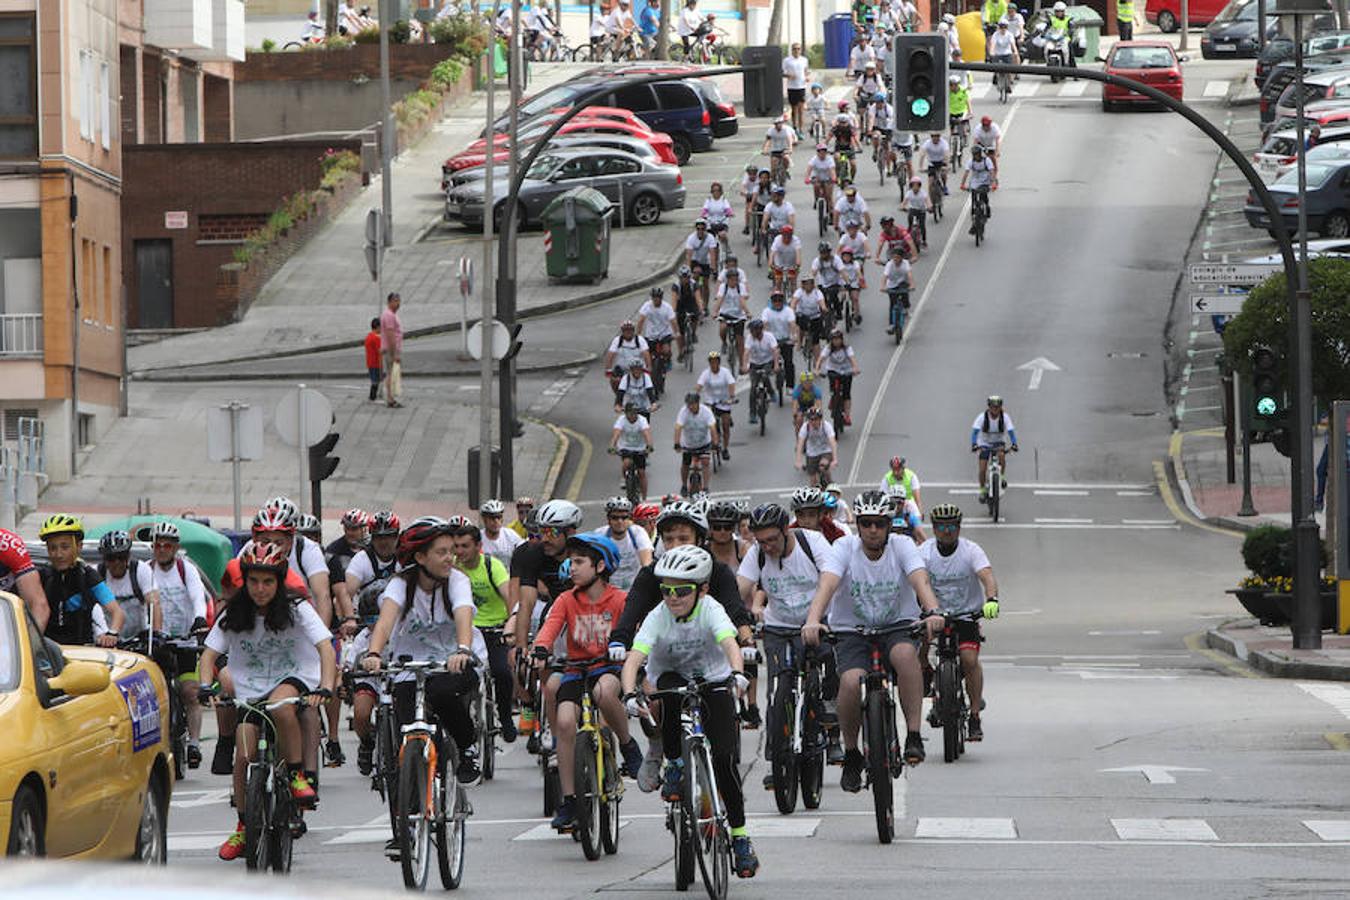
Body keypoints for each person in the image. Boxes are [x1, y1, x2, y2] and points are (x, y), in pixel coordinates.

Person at [620, 545, 757, 876]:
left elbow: (729, 644)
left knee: (724, 761)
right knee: (666, 692)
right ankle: (676, 764)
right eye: (666, 590)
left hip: (713, 677)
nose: (672, 597)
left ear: (702, 589)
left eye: (682, 590)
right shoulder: (658, 615)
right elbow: (635, 659)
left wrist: (738, 674)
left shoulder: (711, 609)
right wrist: (627, 693)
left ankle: (740, 838)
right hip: (670, 676)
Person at [201, 542, 337, 860]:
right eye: (253, 581)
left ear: (279, 582)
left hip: (295, 675)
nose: (260, 589)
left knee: (282, 705)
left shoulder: (297, 608)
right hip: (250, 688)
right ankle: (244, 826)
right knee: (242, 754)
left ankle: (295, 774)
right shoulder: (233, 613)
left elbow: (326, 648)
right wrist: (206, 686)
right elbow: (209, 655)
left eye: (268, 582)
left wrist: (326, 686)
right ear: (244, 581)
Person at [801, 490, 944, 788]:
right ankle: (852, 753)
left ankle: (914, 736)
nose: (872, 530)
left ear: (889, 525)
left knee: (906, 656)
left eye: (879, 523)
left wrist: (932, 611)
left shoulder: (903, 546)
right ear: (859, 525)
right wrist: (813, 620)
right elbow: (826, 586)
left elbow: (921, 581)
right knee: (851, 682)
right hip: (852, 631)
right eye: (866, 523)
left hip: (896, 625)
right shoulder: (843, 547)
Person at [362, 517, 483, 788]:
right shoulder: (401, 583)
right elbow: (385, 622)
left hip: (450, 661)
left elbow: (464, 614)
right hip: (409, 667)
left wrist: (462, 649)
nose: (450, 558)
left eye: (451, 551)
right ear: (420, 557)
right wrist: (374, 653)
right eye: (442, 552)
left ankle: (467, 749)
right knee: (404, 723)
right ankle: (409, 798)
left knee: (442, 693)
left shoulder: (457, 581)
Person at [534, 534, 645, 831]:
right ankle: (569, 799)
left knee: (604, 692)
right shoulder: (566, 599)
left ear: (600, 566)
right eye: (571, 561)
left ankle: (627, 745)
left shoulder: (620, 599)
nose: (572, 567)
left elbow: (640, 629)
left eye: (579, 562)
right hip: (576, 669)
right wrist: (541, 649)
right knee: (567, 722)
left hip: (608, 667)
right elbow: (550, 627)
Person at [737, 502, 834, 786]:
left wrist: (815, 619)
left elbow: (830, 580)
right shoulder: (757, 554)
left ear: (785, 530)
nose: (767, 547)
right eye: (761, 541)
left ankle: (827, 726)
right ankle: (776, 757)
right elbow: (740, 588)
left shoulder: (811, 541)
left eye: (773, 540)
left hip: (818, 622)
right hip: (779, 627)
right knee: (778, 690)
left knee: (826, 671)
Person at [918, 504, 1000, 741]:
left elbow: (987, 576)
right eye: (942, 526)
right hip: (935, 615)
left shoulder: (971, 550)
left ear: (959, 527)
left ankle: (974, 716)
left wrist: (992, 599)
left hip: (966, 616)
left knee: (969, 660)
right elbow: (916, 578)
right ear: (933, 528)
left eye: (952, 526)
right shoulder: (924, 551)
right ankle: (925, 670)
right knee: (917, 642)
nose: (947, 531)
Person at [147, 521, 210, 766]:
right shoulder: (145, 570)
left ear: (176, 548)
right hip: (157, 641)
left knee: (190, 692)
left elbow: (197, 597)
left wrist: (199, 618)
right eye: (158, 545)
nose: (162, 549)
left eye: (167, 545)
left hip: (185, 639)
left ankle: (193, 743)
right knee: (154, 693)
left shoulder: (186, 569)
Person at [449, 517, 517, 743]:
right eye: (456, 547)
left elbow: (509, 597)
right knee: (459, 677)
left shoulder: (492, 565)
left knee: (502, 673)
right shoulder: (452, 569)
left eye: (465, 546)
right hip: (467, 631)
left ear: (478, 547)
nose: (459, 551)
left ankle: (505, 716)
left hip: (495, 630)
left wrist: (510, 624)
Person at [37, 514, 124, 648]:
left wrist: (111, 635)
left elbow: (117, 612)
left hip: (80, 651)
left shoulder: (88, 576)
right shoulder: (42, 576)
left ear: (79, 546)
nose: (58, 554)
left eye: (65, 547)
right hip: (48, 651)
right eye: (52, 548)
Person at [97, 530, 160, 639]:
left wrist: (156, 635)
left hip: (137, 638)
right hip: (106, 638)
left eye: (121, 557)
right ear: (104, 559)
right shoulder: (97, 574)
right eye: (111, 558)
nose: (117, 563)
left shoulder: (141, 570)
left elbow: (154, 603)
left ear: (129, 556)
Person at [594, 496, 654, 591]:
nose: (620, 521)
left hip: (634, 589)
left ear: (629, 519)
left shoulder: (638, 532)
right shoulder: (600, 535)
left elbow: (646, 563)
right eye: (615, 518)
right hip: (608, 590)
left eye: (624, 517)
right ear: (608, 519)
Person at [972, 395, 1018, 501]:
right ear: (989, 407)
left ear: (1001, 407)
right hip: (984, 443)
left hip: (998, 442)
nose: (995, 409)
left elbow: (1011, 432)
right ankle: (983, 490)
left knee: (1001, 455)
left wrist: (1014, 444)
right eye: (993, 407)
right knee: (982, 469)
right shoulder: (982, 417)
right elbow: (975, 432)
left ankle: (1001, 478)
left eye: (997, 407)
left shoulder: (1005, 417)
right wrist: (974, 444)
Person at [675, 391, 719, 493]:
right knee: (685, 464)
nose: (690, 407)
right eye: (688, 404)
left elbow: (712, 428)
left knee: (705, 462)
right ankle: (684, 486)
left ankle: (706, 487)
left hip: (704, 443)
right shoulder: (683, 412)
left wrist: (715, 443)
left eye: (692, 404)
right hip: (688, 444)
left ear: (698, 403)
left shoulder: (706, 412)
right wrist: (677, 443)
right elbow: (678, 427)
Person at [610, 403, 654, 502]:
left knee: (642, 473)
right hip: (625, 447)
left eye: (634, 413)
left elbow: (646, 433)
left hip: (640, 448)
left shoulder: (642, 420)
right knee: (627, 462)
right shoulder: (621, 420)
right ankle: (623, 477)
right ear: (626, 413)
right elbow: (616, 433)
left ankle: (644, 498)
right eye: (630, 413)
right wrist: (612, 446)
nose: (632, 415)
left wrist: (649, 445)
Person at [697, 350, 737, 457]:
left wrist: (732, 396)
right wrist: (695, 395)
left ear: (719, 362)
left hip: (724, 402)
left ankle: (725, 448)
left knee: (725, 425)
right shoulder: (706, 373)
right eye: (711, 362)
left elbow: (731, 384)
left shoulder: (725, 372)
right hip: (710, 403)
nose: (713, 364)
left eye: (715, 362)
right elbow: (699, 385)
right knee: (710, 424)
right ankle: (712, 441)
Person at [742, 318, 782, 426]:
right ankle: (753, 414)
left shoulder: (769, 337)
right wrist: (745, 366)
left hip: (767, 362)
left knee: (765, 376)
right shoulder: (750, 338)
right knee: (753, 387)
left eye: (752, 330)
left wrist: (776, 364)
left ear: (759, 330)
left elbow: (775, 350)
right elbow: (746, 352)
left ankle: (771, 392)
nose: (751, 332)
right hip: (754, 364)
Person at [638, 285, 678, 386]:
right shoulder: (647, 306)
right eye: (654, 297)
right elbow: (641, 320)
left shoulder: (667, 307)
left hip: (664, 334)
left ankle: (668, 361)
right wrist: (638, 335)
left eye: (658, 297)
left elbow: (673, 321)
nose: (656, 300)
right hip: (651, 335)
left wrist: (676, 332)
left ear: (661, 298)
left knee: (666, 350)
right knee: (647, 356)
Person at [760, 290, 799, 387]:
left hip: (786, 340)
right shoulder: (767, 311)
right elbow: (764, 324)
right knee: (766, 364)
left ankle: (790, 386)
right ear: (772, 302)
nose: (777, 303)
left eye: (779, 300)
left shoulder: (788, 311)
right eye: (775, 301)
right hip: (772, 342)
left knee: (789, 363)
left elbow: (792, 324)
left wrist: (794, 336)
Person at [712, 272, 750, 369]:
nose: (734, 282)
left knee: (740, 340)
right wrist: (715, 311)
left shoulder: (740, 287)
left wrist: (747, 312)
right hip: (725, 314)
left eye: (736, 279)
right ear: (727, 280)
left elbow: (742, 300)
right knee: (723, 328)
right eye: (732, 280)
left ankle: (742, 364)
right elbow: (720, 299)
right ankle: (724, 342)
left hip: (738, 315)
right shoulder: (723, 287)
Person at [603, 320, 652, 391]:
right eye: (625, 330)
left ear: (633, 330)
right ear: (622, 331)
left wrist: (649, 368)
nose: (628, 332)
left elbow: (646, 354)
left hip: (637, 368)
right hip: (622, 369)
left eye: (630, 330)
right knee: (614, 381)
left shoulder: (640, 340)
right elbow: (610, 355)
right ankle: (619, 398)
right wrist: (608, 370)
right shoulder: (617, 340)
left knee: (645, 385)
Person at [796, 407, 838, 486]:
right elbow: (800, 444)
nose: (813, 422)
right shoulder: (805, 427)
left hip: (825, 450)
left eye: (816, 419)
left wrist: (835, 459)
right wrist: (798, 461)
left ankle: (830, 484)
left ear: (820, 419)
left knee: (823, 465)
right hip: (812, 453)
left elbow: (833, 442)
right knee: (813, 481)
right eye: (811, 419)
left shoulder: (826, 426)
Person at [962, 144, 998, 230]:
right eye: (974, 154)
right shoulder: (971, 161)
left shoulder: (987, 160)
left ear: (980, 154)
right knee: (974, 199)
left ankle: (987, 207)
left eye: (977, 154)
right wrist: (962, 184)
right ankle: (974, 220)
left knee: (983, 195)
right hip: (975, 182)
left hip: (985, 181)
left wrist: (993, 183)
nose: (976, 156)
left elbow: (992, 171)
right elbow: (966, 172)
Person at [685, 219, 720, 304]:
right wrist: (689, 270)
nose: (700, 231)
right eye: (698, 229)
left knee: (705, 284)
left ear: (705, 229)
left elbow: (712, 254)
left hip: (705, 262)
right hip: (695, 261)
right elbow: (689, 255)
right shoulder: (691, 238)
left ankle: (705, 305)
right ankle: (694, 300)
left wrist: (714, 269)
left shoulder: (710, 238)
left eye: (702, 229)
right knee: (695, 279)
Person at [478, 501, 523, 567]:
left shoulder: (511, 535)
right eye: (492, 518)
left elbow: (524, 552)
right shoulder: (478, 538)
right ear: (484, 520)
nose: (496, 521)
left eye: (499, 517)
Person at [882, 245, 914, 335]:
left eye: (897, 257)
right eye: (894, 257)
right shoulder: (889, 264)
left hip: (903, 283)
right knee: (892, 305)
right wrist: (883, 286)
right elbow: (885, 276)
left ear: (901, 258)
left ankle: (906, 308)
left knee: (905, 297)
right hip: (892, 284)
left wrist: (912, 284)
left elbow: (909, 274)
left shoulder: (905, 263)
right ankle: (891, 324)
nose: (895, 259)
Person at [380, 292, 403, 408]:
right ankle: (390, 398)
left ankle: (391, 397)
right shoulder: (389, 315)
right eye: (395, 301)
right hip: (391, 350)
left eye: (399, 301)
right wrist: (395, 354)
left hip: (391, 349)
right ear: (389, 302)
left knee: (392, 374)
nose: (398, 303)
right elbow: (391, 335)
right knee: (391, 374)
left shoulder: (391, 314)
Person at [783, 43, 811, 137]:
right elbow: (782, 72)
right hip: (792, 87)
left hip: (801, 87)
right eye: (795, 49)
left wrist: (807, 76)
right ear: (792, 50)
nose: (797, 50)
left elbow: (806, 70)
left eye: (798, 49)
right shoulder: (787, 60)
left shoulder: (804, 60)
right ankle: (794, 127)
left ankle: (800, 129)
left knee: (801, 110)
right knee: (794, 109)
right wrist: (789, 75)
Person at [768, 225, 802, 296]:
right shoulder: (777, 240)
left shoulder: (796, 240)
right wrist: (771, 264)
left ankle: (794, 301)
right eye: (785, 235)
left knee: (793, 282)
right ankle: (774, 300)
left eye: (789, 236)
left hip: (792, 264)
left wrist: (797, 265)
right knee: (778, 282)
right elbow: (772, 253)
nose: (787, 238)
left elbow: (798, 254)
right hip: (779, 263)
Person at [762, 117, 796, 184]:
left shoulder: (786, 130)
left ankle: (786, 170)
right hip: (775, 149)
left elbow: (789, 140)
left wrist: (790, 148)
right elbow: (768, 141)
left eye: (780, 123)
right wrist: (764, 150)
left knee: (786, 158)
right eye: (777, 124)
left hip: (784, 148)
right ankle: (773, 180)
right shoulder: (771, 131)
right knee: (773, 166)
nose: (779, 125)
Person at [902, 175, 932, 250]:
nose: (915, 187)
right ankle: (907, 239)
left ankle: (924, 241)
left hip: (922, 210)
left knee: (922, 226)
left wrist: (929, 207)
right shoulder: (909, 193)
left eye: (917, 185)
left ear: (919, 186)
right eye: (913, 185)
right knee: (910, 225)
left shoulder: (923, 193)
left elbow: (927, 201)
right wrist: (903, 207)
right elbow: (904, 202)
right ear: (911, 186)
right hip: (912, 210)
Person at [918, 131, 951, 195]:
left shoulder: (944, 143)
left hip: (941, 161)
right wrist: (920, 167)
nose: (936, 138)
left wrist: (947, 165)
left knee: (943, 174)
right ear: (931, 137)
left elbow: (947, 154)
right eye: (933, 137)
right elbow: (922, 154)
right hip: (932, 163)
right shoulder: (927, 143)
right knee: (930, 181)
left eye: (937, 136)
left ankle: (944, 186)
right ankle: (930, 197)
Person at [364, 317, 382, 401]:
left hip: (370, 362)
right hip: (375, 363)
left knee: (374, 379)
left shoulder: (369, 336)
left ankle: (373, 396)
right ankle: (372, 397)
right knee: (375, 381)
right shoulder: (376, 338)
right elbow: (380, 351)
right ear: (378, 327)